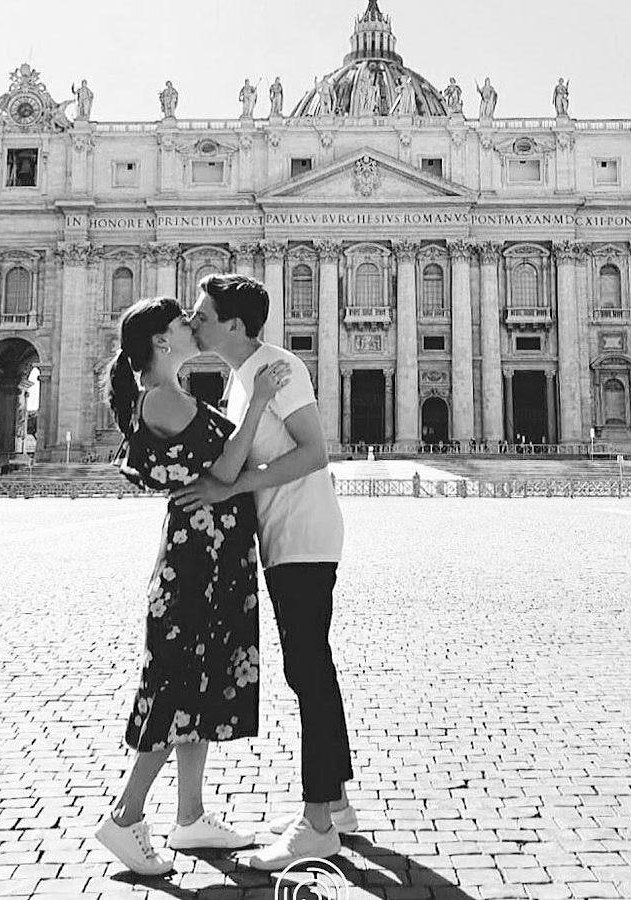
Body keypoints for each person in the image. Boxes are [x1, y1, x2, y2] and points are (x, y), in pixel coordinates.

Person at [94, 297, 292, 876]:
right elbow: (225, 471)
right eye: (182, 322)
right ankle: (127, 815)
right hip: (198, 562)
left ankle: (190, 817)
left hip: (210, 553)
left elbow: (214, 474)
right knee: (177, 679)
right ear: (160, 341)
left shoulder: (169, 395)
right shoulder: (165, 398)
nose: (191, 326)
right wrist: (257, 402)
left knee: (198, 679)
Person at [172, 275, 356, 870]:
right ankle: (338, 804)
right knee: (312, 670)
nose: (192, 322)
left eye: (201, 315)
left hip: (302, 533)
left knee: (309, 672)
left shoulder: (277, 368)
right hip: (282, 536)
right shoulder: (242, 380)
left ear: (234, 325)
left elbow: (315, 451)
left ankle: (317, 824)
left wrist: (234, 487)